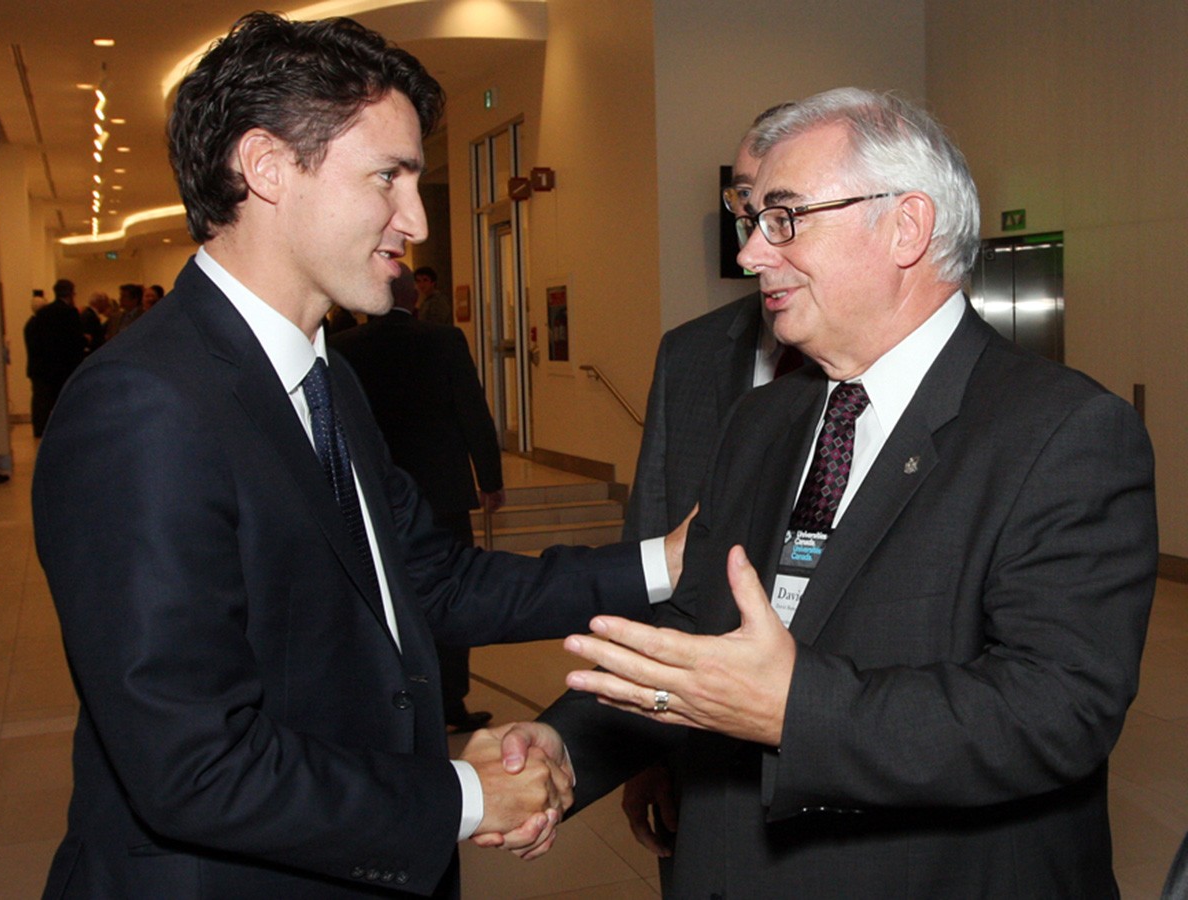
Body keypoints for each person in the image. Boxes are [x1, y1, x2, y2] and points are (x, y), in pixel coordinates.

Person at [32, 14, 686, 898]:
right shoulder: (142, 405)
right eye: (389, 177)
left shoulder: (324, 379)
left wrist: (660, 563)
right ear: (265, 168)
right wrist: (466, 793)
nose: (414, 218)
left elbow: (431, 582)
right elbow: (193, 766)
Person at [509, 87, 1157, 897]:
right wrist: (567, 744)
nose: (751, 254)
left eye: (784, 217)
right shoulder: (762, 419)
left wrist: (795, 710)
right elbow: (698, 624)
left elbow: (1056, 709)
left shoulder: (1063, 431)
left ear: (906, 227)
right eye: (752, 221)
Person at [620, 103, 808, 873]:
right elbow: (653, 541)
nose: (754, 237)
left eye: (781, 209)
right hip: (702, 761)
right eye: (743, 205)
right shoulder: (693, 354)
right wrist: (645, 740)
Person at [331, 264, 505, 734]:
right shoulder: (444, 341)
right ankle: (451, 702)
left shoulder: (343, 348)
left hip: (372, 492)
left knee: (382, 598)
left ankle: (391, 703)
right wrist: (489, 477)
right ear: (415, 295)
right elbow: (472, 411)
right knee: (453, 593)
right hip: (441, 490)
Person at [23, 279, 85, 437]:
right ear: (71, 293)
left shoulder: (43, 314)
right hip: (65, 366)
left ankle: (41, 431)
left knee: (43, 402)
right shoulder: (70, 313)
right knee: (65, 401)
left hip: (47, 366)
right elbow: (75, 341)